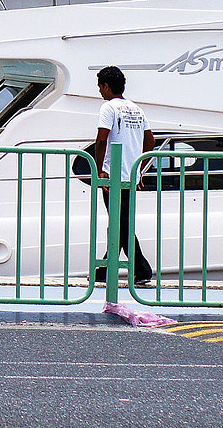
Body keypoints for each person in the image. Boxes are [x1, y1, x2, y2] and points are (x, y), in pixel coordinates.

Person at [93, 65, 155, 286]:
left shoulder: (108, 108)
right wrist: (139, 169)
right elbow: (150, 142)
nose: (100, 91)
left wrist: (100, 170)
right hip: (130, 174)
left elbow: (102, 139)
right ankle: (106, 269)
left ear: (106, 86)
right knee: (122, 223)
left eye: (100, 87)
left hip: (113, 175)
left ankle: (142, 270)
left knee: (120, 225)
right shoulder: (136, 109)